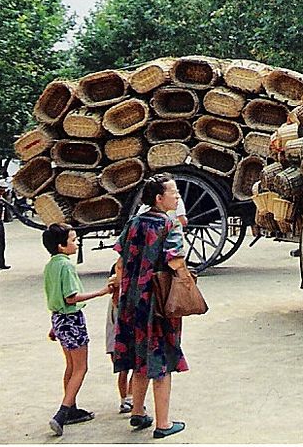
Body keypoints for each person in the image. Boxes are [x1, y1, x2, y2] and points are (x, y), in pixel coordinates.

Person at [112, 174, 188, 439]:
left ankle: (137, 412)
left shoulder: (133, 223)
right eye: (173, 192)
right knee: (162, 362)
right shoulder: (170, 225)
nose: (177, 197)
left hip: (131, 301)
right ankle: (163, 424)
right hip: (156, 303)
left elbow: (120, 259)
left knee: (137, 356)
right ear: (159, 198)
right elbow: (174, 261)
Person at [42, 223, 112, 436]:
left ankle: (71, 407)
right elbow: (71, 297)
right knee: (81, 368)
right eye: (73, 240)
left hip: (59, 319)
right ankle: (62, 413)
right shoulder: (66, 266)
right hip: (72, 319)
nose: (77, 242)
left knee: (71, 366)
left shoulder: (51, 265)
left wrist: (55, 326)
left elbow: (55, 296)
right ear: (62, 246)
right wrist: (100, 293)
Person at [105, 262, 140, 414]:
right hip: (121, 338)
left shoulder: (116, 295)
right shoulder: (121, 296)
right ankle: (130, 398)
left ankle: (125, 399)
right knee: (134, 370)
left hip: (114, 340)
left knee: (124, 371)